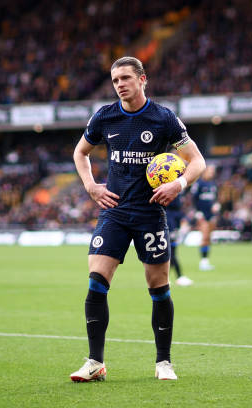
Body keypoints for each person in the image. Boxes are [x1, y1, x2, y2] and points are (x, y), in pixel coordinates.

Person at [71, 56, 206, 382]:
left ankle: (163, 363)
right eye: (115, 80)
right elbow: (80, 152)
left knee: (158, 287)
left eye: (126, 78)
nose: (119, 84)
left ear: (142, 79)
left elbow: (197, 161)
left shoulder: (163, 119)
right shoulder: (105, 116)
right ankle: (95, 362)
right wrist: (91, 186)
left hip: (150, 214)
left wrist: (179, 183)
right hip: (114, 212)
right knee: (95, 282)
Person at [191, 165, 218, 270]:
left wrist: (216, 205)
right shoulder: (199, 184)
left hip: (211, 215)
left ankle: (206, 261)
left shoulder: (212, 184)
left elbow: (215, 198)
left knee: (209, 238)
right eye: (210, 171)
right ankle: (203, 262)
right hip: (202, 214)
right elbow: (194, 199)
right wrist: (197, 212)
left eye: (213, 171)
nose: (212, 173)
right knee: (205, 237)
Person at [166, 194, 193, 286]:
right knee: (171, 252)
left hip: (173, 220)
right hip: (169, 221)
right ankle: (178, 277)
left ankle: (166, 278)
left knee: (171, 252)